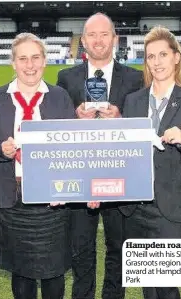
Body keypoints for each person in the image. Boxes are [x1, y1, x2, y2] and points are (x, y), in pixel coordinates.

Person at [57, 12, 143, 299]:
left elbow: (142, 126)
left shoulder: (134, 78)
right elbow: (57, 128)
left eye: (104, 34)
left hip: (119, 176)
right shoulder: (65, 78)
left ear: (115, 39)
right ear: (83, 41)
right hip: (80, 178)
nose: (98, 40)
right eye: (91, 35)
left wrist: (122, 117)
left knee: (119, 247)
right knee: (81, 248)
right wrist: (73, 117)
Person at [122, 26, 181, 299]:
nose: (156, 62)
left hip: (174, 206)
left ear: (176, 57)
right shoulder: (132, 102)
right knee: (148, 283)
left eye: (162, 55)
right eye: (150, 56)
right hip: (137, 206)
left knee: (166, 284)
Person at [0, 33, 76, 299]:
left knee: (54, 273)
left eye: (35, 58)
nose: (30, 65)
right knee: (22, 275)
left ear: (44, 61)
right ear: (13, 63)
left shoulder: (60, 98)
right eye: (23, 59)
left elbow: (73, 151)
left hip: (53, 200)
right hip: (12, 199)